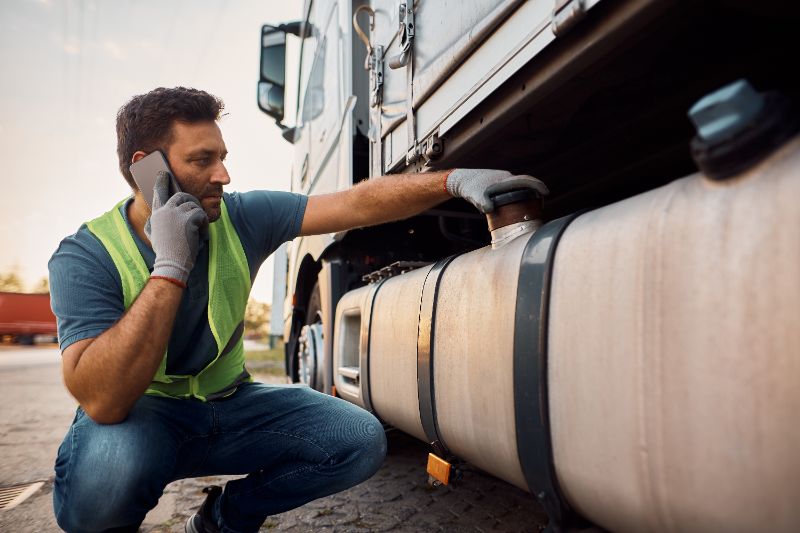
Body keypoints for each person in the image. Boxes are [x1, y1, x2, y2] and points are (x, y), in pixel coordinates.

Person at [48, 86, 547, 533]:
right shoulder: (85, 255)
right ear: (147, 168)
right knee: (106, 478)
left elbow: (354, 204)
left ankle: (224, 520)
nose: (223, 175)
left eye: (222, 157)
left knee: (357, 439)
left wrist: (453, 181)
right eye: (202, 160)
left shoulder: (241, 216)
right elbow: (104, 401)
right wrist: (171, 265)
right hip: (144, 419)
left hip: (228, 407)